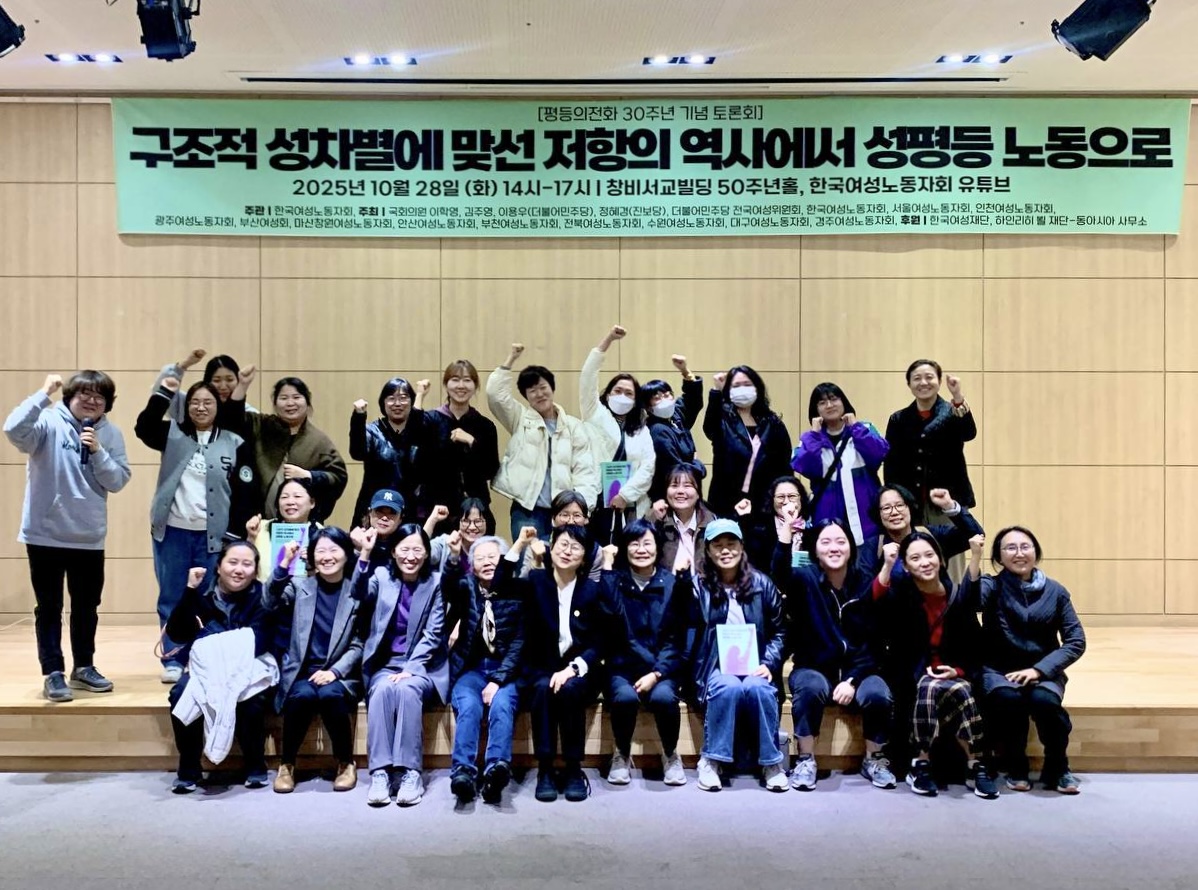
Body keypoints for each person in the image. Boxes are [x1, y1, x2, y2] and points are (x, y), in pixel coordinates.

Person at [4, 371, 132, 703]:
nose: (91, 401)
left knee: (87, 607)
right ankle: (53, 672)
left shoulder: (111, 434)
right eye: (84, 394)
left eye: (99, 397)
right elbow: (13, 430)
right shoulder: (47, 422)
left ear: (108, 404)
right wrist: (42, 394)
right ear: (70, 396)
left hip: (88, 537)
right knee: (49, 607)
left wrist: (99, 452)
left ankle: (84, 667)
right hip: (44, 534)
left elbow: (118, 480)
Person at [135, 367, 252, 684]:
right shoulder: (173, 434)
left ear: (218, 407)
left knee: (209, 596)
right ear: (186, 407)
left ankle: (203, 656)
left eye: (208, 402)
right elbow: (143, 427)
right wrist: (165, 392)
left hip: (214, 535)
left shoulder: (233, 441)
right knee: (172, 596)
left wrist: (236, 533)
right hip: (172, 531)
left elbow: (244, 491)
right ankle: (173, 657)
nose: (201, 407)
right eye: (195, 402)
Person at [872, 532, 998, 800]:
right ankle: (922, 762)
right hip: (913, 675)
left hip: (953, 672)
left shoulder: (956, 597)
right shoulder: (902, 598)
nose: (924, 562)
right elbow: (874, 604)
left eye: (929, 555)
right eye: (915, 558)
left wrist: (958, 671)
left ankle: (974, 765)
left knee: (960, 688)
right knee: (929, 687)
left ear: (941, 560)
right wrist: (887, 565)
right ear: (906, 567)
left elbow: (974, 648)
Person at [775, 515, 894, 791]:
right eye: (825, 542)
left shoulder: (865, 581)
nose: (834, 548)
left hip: (859, 669)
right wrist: (785, 534)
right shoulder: (804, 579)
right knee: (810, 687)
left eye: (840, 541)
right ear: (815, 550)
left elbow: (873, 642)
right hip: (814, 666)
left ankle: (873, 759)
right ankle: (806, 759)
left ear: (850, 546)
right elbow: (779, 573)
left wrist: (852, 680)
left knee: (878, 693)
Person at [964, 527, 1087, 794]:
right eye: (1010, 548)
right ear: (999, 557)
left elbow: (1076, 641)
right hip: (999, 670)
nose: (1019, 553)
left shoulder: (1056, 591)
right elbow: (969, 602)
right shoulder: (991, 585)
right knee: (1009, 700)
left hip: (1043, 671)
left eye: (1025, 546)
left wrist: (1039, 670)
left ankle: (1058, 766)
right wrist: (975, 557)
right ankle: (1016, 765)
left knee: (1045, 702)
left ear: (1035, 552)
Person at [681, 519, 789, 793]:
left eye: (731, 544)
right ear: (708, 551)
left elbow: (780, 631)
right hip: (714, 667)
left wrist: (769, 663)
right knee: (727, 686)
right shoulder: (697, 586)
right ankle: (711, 760)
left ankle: (771, 763)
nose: (725, 550)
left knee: (759, 688)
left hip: (756, 664)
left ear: (742, 547)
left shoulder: (763, 584)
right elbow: (687, 632)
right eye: (718, 545)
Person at [355, 523, 453, 807]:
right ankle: (381, 773)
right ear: (393, 552)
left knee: (408, 690)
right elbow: (358, 595)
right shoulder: (381, 576)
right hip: (386, 664)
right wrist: (364, 554)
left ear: (427, 554)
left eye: (417, 550)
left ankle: (411, 772)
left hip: (424, 665)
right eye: (404, 549)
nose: (411, 556)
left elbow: (433, 633)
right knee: (382, 690)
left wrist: (411, 668)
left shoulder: (435, 583)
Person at [164, 540, 273, 793]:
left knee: (250, 695)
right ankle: (188, 768)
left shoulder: (263, 599)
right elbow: (178, 633)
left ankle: (255, 764)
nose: (239, 570)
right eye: (232, 562)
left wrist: (213, 644)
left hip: (249, 668)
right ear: (219, 566)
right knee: (180, 693)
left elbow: (259, 641)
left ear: (255, 570)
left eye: (247, 564)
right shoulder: (202, 596)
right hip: (206, 671)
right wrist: (190, 590)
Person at [264, 527, 363, 794]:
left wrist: (335, 672)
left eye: (334, 550)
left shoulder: (356, 592)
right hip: (304, 672)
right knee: (301, 696)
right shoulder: (300, 587)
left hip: (340, 674)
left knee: (331, 695)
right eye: (321, 551)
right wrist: (284, 564)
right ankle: (287, 764)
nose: (327, 556)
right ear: (311, 556)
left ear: (346, 554)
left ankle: (346, 763)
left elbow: (359, 643)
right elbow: (269, 601)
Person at [522, 524, 617, 803]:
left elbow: (601, 640)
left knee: (570, 689)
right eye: (562, 544)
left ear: (585, 557)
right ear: (551, 547)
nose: (567, 551)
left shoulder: (591, 589)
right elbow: (503, 587)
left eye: (575, 547)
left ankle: (574, 768)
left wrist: (573, 668)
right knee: (543, 688)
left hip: (581, 670)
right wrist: (525, 551)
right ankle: (545, 768)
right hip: (542, 667)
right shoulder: (536, 581)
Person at [600, 519, 689, 787]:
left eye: (647, 543)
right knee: (625, 697)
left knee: (663, 698)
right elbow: (610, 620)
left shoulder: (671, 583)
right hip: (623, 667)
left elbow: (676, 638)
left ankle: (671, 754)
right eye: (634, 543)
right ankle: (621, 753)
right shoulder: (615, 581)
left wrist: (657, 673)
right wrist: (606, 568)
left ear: (658, 547)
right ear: (625, 548)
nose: (641, 549)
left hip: (661, 668)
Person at [487, 342, 599, 540]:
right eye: (532, 390)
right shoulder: (520, 419)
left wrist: (582, 509)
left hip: (565, 511)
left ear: (552, 388)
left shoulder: (573, 426)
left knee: (564, 556)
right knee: (527, 557)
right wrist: (510, 359)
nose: (539, 394)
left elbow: (585, 471)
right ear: (526, 396)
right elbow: (495, 396)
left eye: (542, 387)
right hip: (527, 510)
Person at [446, 532, 525, 804]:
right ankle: (463, 773)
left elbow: (519, 644)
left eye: (493, 556)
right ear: (472, 565)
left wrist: (498, 680)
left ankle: (496, 770)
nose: (488, 562)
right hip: (471, 670)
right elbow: (448, 585)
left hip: (506, 670)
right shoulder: (466, 588)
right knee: (469, 706)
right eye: (480, 558)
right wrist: (454, 557)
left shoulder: (518, 590)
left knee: (502, 705)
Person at [579, 325, 656, 542]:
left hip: (629, 505)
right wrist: (608, 340)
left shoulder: (641, 429)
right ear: (608, 394)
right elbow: (587, 377)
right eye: (618, 391)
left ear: (636, 400)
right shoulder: (594, 413)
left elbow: (648, 467)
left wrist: (625, 495)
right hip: (595, 502)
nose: (622, 396)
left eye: (629, 393)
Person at [237, 377, 347, 523]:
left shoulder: (319, 441)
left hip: (301, 526)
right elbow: (233, 416)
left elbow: (339, 476)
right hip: (257, 522)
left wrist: (309, 475)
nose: (290, 403)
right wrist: (242, 386)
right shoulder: (260, 425)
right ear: (275, 403)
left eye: (296, 397)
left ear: (307, 402)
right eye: (283, 398)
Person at [792, 382, 888, 547]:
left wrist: (855, 428)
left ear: (844, 402)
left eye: (834, 399)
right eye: (822, 402)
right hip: (827, 519)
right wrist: (814, 435)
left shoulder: (864, 428)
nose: (829, 405)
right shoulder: (811, 438)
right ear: (816, 410)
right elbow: (804, 466)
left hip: (866, 520)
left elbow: (879, 453)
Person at [883, 360, 977, 526]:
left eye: (929, 377)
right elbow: (892, 463)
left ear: (939, 381)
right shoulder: (899, 419)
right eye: (917, 378)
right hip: (910, 502)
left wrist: (957, 396)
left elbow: (969, 433)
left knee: (951, 543)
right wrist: (893, 497)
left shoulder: (952, 412)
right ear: (909, 384)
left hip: (948, 500)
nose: (923, 382)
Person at [350, 377, 448, 526]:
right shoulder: (372, 431)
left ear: (411, 402)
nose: (397, 403)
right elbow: (358, 453)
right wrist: (358, 417)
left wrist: (420, 395)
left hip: (411, 511)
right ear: (383, 402)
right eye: (391, 398)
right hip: (375, 510)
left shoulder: (422, 432)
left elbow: (415, 430)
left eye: (403, 398)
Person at [702, 365, 793, 518]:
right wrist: (717, 390)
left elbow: (784, 464)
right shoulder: (723, 420)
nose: (742, 389)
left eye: (747, 384)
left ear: (757, 388)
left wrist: (786, 498)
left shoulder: (772, 422)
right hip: (726, 501)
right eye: (736, 386)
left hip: (764, 502)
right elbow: (709, 427)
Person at [858, 484, 982, 579]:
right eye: (886, 508)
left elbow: (975, 535)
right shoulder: (873, 547)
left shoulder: (932, 535)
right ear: (878, 514)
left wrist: (949, 506)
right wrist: (887, 567)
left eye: (900, 505)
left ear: (910, 508)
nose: (894, 512)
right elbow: (865, 591)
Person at [428, 360, 501, 508]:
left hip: (475, 507)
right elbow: (421, 466)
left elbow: (491, 470)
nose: (461, 386)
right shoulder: (431, 421)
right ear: (446, 384)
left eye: (467, 380)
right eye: (455, 380)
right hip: (437, 506)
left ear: (475, 386)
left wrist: (472, 442)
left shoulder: (485, 425)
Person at [642, 354, 704, 504]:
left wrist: (685, 371)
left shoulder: (675, 416)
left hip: (688, 492)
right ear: (648, 407)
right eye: (657, 397)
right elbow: (676, 469)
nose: (665, 400)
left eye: (668, 395)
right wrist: (698, 465)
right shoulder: (657, 430)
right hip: (669, 497)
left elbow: (693, 400)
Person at [245, 478, 323, 582]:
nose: (290, 502)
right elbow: (246, 565)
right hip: (264, 590)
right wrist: (251, 537)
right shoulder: (261, 527)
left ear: (312, 503)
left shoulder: (323, 534)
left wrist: (311, 567)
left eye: (297, 496)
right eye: (284, 497)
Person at [519, 490, 604, 583]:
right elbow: (524, 583)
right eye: (565, 515)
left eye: (577, 515)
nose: (570, 521)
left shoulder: (595, 551)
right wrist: (537, 562)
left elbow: (595, 587)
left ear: (586, 519)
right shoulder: (539, 546)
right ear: (553, 518)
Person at [652, 463, 718, 577]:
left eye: (687, 486)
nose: (680, 491)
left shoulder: (712, 523)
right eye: (674, 485)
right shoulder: (657, 520)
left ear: (698, 493)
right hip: (665, 586)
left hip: (703, 586)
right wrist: (653, 518)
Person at [734, 475, 809, 572]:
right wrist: (744, 518)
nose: (786, 501)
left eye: (792, 496)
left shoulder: (811, 526)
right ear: (772, 500)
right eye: (780, 497)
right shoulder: (760, 528)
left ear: (801, 498)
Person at [160, 348, 259, 421]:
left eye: (229, 380)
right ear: (207, 383)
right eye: (217, 380)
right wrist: (182, 366)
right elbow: (163, 393)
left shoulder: (249, 414)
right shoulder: (190, 407)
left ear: (238, 380)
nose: (223, 387)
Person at [351, 489, 405, 573]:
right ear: (369, 512)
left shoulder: (404, 548)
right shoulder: (354, 540)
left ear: (400, 518)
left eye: (392, 512)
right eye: (379, 511)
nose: (384, 518)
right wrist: (357, 550)